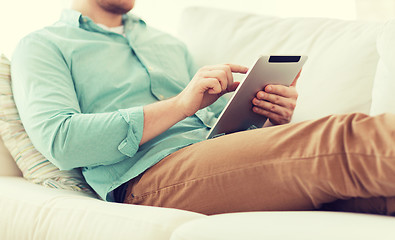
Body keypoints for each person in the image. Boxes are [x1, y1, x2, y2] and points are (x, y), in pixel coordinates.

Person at [11, 0, 395, 215]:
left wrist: (266, 117)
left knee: (378, 199)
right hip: (147, 177)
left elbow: (211, 128)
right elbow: (61, 141)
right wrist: (181, 104)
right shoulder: (44, 44)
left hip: (208, 155)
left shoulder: (166, 44)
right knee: (345, 135)